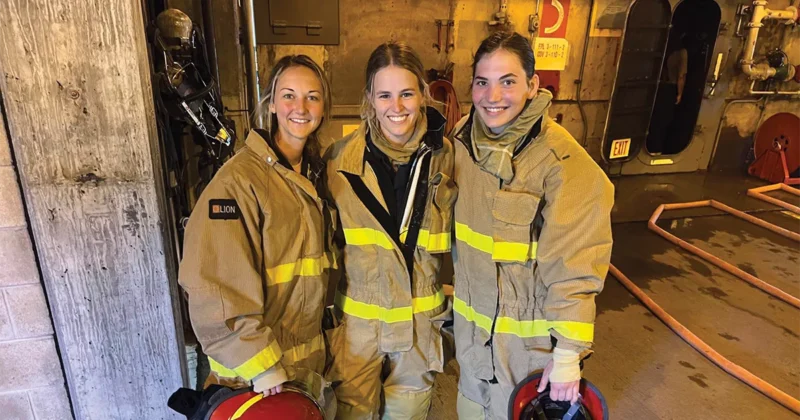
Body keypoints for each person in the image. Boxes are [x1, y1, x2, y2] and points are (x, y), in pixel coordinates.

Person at [449, 31, 614, 419]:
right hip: (473, 354)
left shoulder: (564, 165)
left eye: (508, 82)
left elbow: (574, 267)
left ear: (532, 86)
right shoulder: (461, 142)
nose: (493, 97)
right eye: (482, 82)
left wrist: (569, 355)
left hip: (527, 362)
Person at [178, 55, 335, 397]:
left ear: (323, 107)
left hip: (303, 367)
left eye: (313, 96)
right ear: (273, 104)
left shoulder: (312, 174)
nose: (301, 107)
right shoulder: (238, 182)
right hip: (254, 378)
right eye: (289, 95)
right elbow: (213, 284)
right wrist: (260, 365)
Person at [323, 41, 456, 419]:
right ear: (369, 98)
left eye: (406, 94)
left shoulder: (448, 159)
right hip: (359, 335)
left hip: (417, 334)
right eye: (384, 95)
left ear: (423, 95)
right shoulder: (338, 163)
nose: (396, 108)